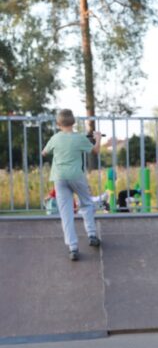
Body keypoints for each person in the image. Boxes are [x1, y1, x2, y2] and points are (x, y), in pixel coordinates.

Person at [41, 109, 103, 260]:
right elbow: (95, 151)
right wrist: (98, 138)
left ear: (58, 123)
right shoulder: (80, 138)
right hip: (76, 176)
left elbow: (44, 153)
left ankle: (73, 248)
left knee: (66, 213)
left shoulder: (55, 138)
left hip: (59, 178)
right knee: (86, 204)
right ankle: (92, 235)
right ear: (73, 122)